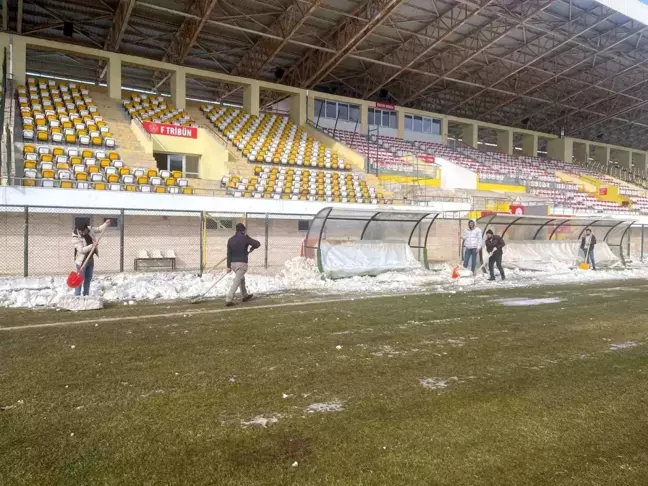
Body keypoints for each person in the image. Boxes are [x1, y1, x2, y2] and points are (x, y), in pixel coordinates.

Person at [72, 218, 110, 296]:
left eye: (83, 230)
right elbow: (81, 250)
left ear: (86, 228)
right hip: (82, 261)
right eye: (80, 231)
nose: (82, 232)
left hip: (90, 259)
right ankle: (77, 296)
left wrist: (106, 223)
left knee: (88, 279)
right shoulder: (75, 237)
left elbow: (99, 229)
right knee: (79, 280)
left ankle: (86, 295)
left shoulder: (90, 229)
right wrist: (92, 246)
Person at [226, 223, 261, 307]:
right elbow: (257, 243)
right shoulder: (245, 237)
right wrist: (252, 248)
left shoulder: (230, 240)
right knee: (237, 281)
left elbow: (228, 254)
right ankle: (228, 299)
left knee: (241, 278)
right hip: (242, 264)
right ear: (243, 230)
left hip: (233, 264)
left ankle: (245, 296)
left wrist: (228, 266)